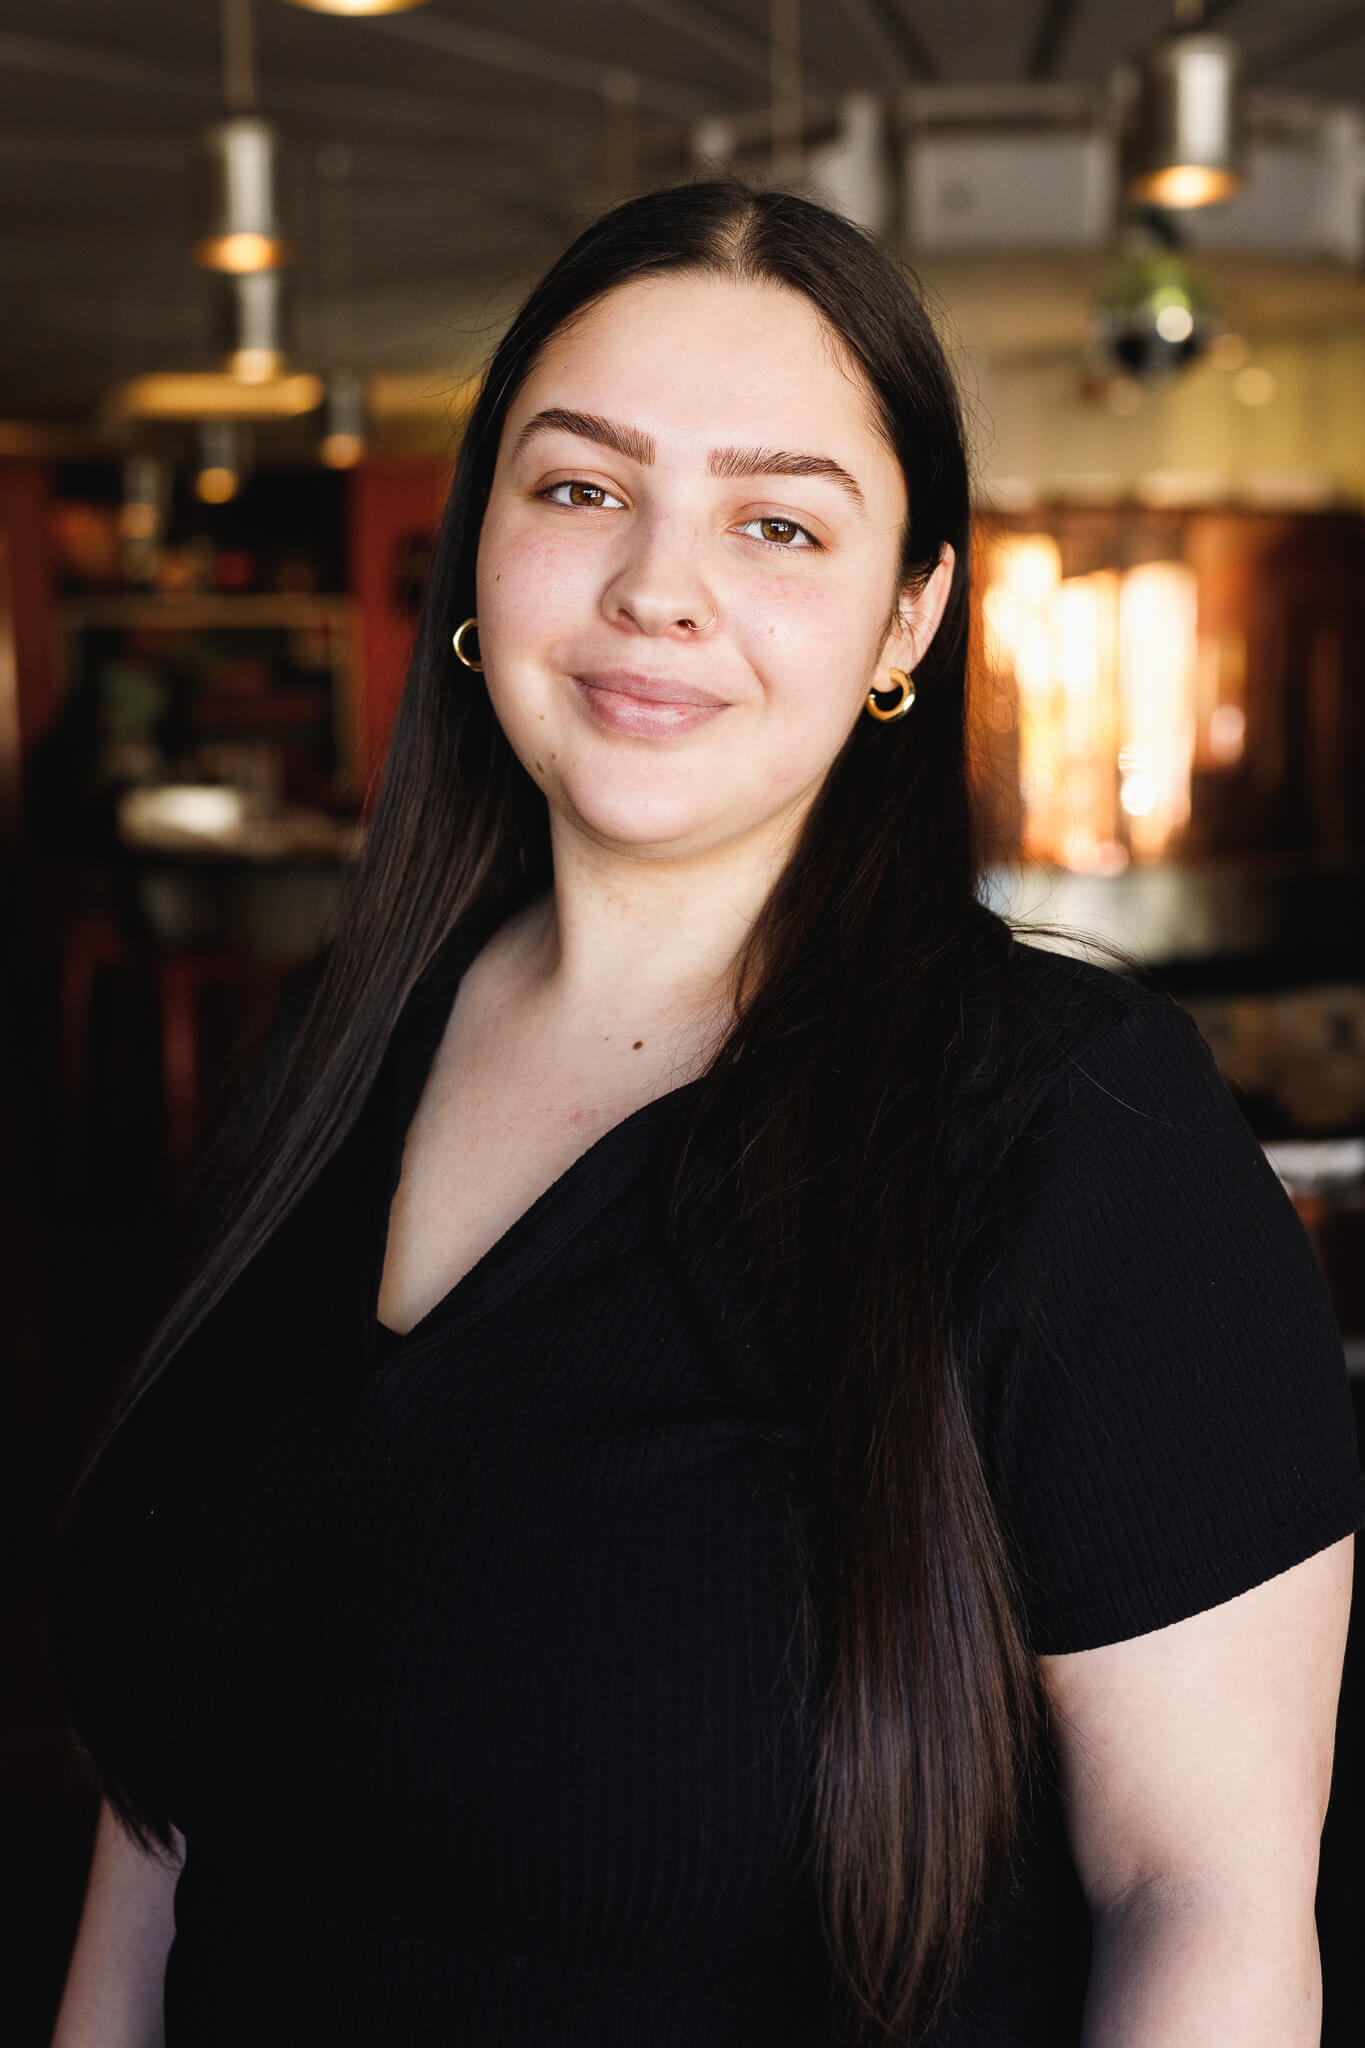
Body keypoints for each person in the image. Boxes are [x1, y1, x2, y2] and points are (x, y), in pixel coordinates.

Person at [50, 180, 1364, 2048]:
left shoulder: (1078, 1135)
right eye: (581, 488)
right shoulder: (320, 1062)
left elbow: (1205, 1908)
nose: (654, 588)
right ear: (478, 551)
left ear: (909, 614)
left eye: (775, 522)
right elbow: (165, 1817)